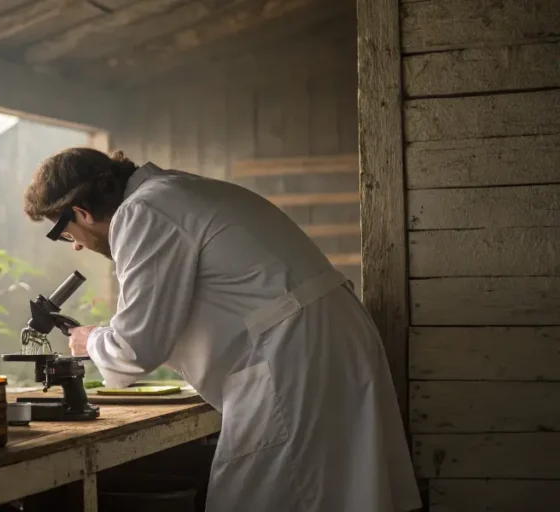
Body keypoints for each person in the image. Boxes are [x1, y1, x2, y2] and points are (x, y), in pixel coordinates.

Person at [22, 147, 422, 512]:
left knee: (270, 497)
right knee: (338, 493)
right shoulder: (175, 191)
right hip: (323, 341)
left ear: (79, 213)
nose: (74, 245)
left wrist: (89, 340)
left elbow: (135, 349)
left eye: (63, 233)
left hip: (292, 357)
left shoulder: (142, 212)